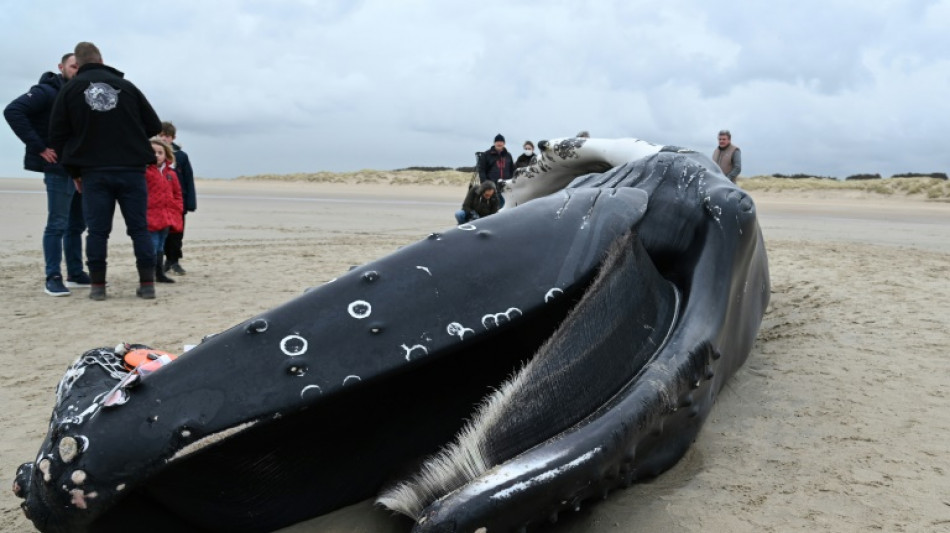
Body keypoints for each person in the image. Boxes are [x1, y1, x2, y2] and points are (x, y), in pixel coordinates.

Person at [48, 42, 163, 301]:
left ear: (79, 62)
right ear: (101, 59)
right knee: (139, 229)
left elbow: (57, 135)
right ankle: (147, 284)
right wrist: (128, 138)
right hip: (131, 169)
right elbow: (153, 124)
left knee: (98, 231)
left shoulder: (70, 91)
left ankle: (98, 287)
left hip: (93, 171)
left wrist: (74, 170)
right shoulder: (128, 87)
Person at [4, 53, 90, 297]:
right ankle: (53, 276)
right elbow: (13, 111)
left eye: (81, 67)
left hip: (80, 169)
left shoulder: (84, 94)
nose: (77, 70)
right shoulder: (47, 91)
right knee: (57, 224)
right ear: (61, 67)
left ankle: (75, 272)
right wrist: (39, 147)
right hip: (58, 169)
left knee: (77, 225)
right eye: (74, 66)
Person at [158, 121, 195, 275]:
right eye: (161, 135)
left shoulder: (181, 156)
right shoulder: (153, 155)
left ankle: (175, 261)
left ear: (172, 138)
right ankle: (164, 261)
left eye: (166, 136)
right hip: (160, 203)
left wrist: (190, 203)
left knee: (177, 234)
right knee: (162, 233)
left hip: (178, 202)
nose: (163, 139)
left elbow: (188, 180)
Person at [146, 139, 183, 284]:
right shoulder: (145, 171)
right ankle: (150, 272)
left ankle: (159, 273)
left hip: (167, 216)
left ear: (166, 154)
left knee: (161, 244)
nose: (156, 155)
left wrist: (177, 208)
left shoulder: (171, 174)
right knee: (152, 245)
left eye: (160, 152)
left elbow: (177, 193)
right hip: (151, 216)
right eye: (153, 152)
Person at [478, 134, 514, 208]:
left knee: (505, 207)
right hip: (491, 187)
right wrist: (485, 185)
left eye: (501, 142)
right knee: (492, 208)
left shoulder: (508, 155)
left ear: (504, 143)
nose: (499, 143)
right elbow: (482, 171)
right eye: (497, 141)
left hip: (505, 187)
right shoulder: (486, 155)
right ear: (494, 143)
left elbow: (512, 170)